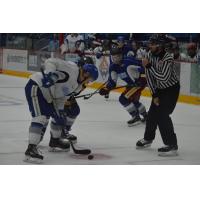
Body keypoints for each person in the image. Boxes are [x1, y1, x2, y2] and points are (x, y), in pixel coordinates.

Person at [24, 55, 98, 163]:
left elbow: (62, 97)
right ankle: (31, 149)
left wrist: (60, 110)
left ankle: (55, 141)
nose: (89, 82)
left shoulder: (77, 86)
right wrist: (50, 75)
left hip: (49, 96)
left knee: (59, 116)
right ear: (86, 73)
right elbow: (50, 61)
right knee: (40, 117)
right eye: (90, 79)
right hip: (37, 86)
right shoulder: (72, 69)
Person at [136, 34, 180, 156]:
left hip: (171, 89)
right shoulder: (149, 55)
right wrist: (154, 94)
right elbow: (149, 77)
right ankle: (148, 139)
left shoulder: (168, 58)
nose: (150, 46)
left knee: (163, 115)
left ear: (160, 45)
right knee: (152, 115)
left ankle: (172, 145)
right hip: (159, 90)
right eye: (150, 43)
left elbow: (164, 78)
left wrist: (149, 66)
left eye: (153, 44)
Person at [99, 47, 147, 126]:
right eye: (113, 57)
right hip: (131, 85)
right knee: (133, 101)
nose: (114, 59)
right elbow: (112, 81)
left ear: (121, 56)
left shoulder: (129, 61)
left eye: (116, 56)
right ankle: (145, 116)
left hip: (139, 83)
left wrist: (141, 80)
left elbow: (144, 68)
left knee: (123, 98)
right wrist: (107, 88)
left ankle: (136, 116)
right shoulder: (113, 67)